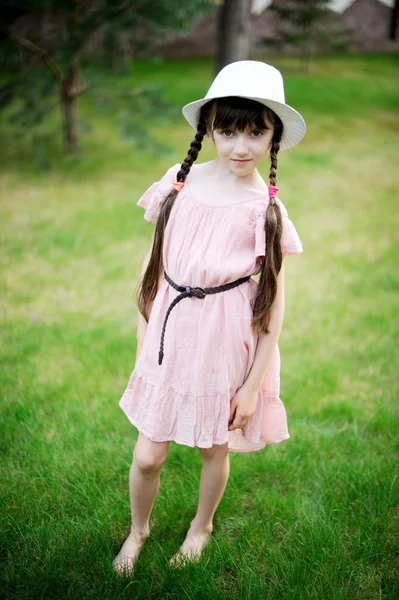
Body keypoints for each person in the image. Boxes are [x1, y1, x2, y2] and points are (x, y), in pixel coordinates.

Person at [114, 60, 306, 576]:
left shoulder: (265, 211)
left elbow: (273, 308)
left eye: (255, 132)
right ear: (209, 129)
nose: (240, 146)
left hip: (228, 345)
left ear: (274, 136)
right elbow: (151, 273)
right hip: (170, 336)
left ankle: (202, 526)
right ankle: (139, 530)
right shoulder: (178, 185)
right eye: (227, 130)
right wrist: (142, 343)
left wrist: (252, 385)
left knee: (213, 448)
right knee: (149, 455)